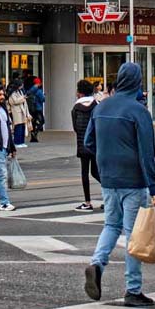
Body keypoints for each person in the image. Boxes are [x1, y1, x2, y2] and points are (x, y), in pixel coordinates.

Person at [82, 62, 155, 307]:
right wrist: (154, 186)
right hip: (133, 180)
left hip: (108, 178)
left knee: (111, 225)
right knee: (132, 235)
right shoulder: (138, 111)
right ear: (137, 82)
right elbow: (147, 152)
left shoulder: (101, 106)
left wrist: (104, 160)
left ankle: (97, 263)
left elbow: (88, 141)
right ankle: (133, 289)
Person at [72, 80, 101, 211]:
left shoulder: (76, 108)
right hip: (95, 144)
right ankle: (110, 195)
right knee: (96, 172)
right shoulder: (97, 105)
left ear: (80, 93)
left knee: (85, 173)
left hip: (82, 144)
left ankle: (87, 202)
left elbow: (75, 127)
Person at [7, 78, 31, 148]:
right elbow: (14, 101)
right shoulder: (12, 93)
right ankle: (17, 142)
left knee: (23, 127)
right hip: (16, 112)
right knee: (18, 127)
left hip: (22, 111)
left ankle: (22, 141)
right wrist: (23, 98)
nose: (22, 86)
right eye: (21, 84)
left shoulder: (20, 91)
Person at [28, 77, 45, 141]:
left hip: (32, 108)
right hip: (38, 108)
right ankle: (35, 133)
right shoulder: (38, 90)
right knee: (42, 121)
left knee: (33, 122)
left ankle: (33, 137)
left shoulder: (30, 90)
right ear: (38, 83)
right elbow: (43, 99)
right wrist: (43, 96)